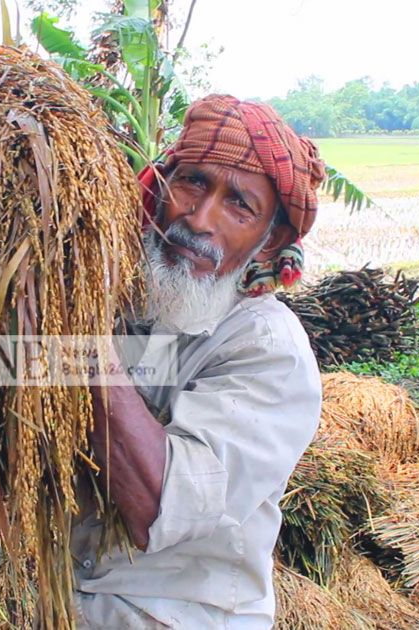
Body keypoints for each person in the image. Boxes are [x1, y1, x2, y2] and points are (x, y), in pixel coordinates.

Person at [72, 95, 327, 628]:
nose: (200, 219)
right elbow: (14, 371)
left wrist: (80, 349)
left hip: (177, 614)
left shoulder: (268, 352)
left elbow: (160, 505)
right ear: (161, 186)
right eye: (192, 183)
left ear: (270, 240)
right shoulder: (130, 303)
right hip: (63, 594)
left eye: (239, 205)